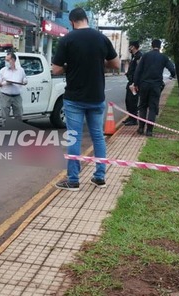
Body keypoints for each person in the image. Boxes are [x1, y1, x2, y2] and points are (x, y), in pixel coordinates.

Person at [51, 7, 120, 192]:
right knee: (98, 136)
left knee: (74, 137)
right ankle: (100, 177)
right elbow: (116, 64)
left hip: (74, 98)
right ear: (86, 19)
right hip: (96, 96)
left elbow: (56, 70)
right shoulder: (101, 38)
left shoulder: (67, 39)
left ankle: (73, 180)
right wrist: (99, 62)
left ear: (72, 22)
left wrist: (69, 65)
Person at [133, 39, 176, 137]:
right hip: (156, 86)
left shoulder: (145, 56)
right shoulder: (163, 57)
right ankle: (149, 131)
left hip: (144, 85)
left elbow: (138, 70)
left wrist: (136, 83)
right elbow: (172, 69)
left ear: (152, 46)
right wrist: (172, 76)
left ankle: (140, 128)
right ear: (160, 47)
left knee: (142, 106)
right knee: (153, 108)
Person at [0, 52, 28, 127]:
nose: (6, 62)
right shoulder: (3, 70)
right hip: (5, 95)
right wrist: (4, 83)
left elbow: (24, 79)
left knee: (19, 115)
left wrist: (25, 81)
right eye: (5, 60)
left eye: (8, 60)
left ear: (13, 60)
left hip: (17, 96)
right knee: (5, 116)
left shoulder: (20, 70)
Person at [123, 41, 143, 126]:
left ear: (134, 47)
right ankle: (130, 116)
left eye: (130, 47)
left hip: (134, 83)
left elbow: (139, 70)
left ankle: (134, 119)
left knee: (133, 101)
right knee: (128, 100)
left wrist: (135, 83)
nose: (129, 48)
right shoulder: (134, 56)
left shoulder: (139, 56)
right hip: (130, 82)